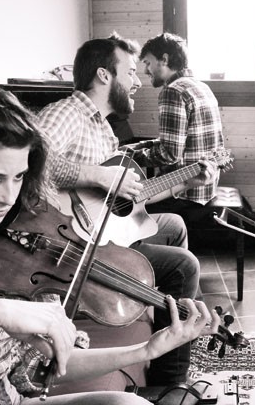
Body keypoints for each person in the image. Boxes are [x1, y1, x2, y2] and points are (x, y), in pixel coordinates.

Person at [0, 82, 219, 405]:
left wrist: (147, 350)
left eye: (18, 177)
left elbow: (48, 364)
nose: (8, 197)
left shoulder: (18, 245)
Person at [36, 33, 216, 386]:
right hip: (72, 244)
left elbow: (127, 199)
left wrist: (183, 184)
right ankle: (169, 381)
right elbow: (31, 162)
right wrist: (99, 175)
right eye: (131, 72)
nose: (138, 82)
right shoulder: (67, 113)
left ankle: (167, 320)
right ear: (104, 75)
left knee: (173, 224)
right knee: (184, 266)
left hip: (102, 231)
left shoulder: (103, 128)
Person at [139, 32, 225, 222]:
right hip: (206, 188)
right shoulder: (201, 87)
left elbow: (169, 155)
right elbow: (183, 140)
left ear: (164, 59)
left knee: (123, 211)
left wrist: (131, 158)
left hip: (183, 195)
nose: (145, 70)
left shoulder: (173, 92)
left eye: (147, 63)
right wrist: (142, 146)